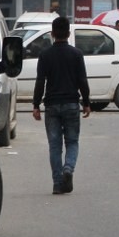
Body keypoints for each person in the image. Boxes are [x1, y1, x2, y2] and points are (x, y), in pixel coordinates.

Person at [32, 16, 91, 195]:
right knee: (72, 142)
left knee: (55, 146)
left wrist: (36, 105)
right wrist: (86, 103)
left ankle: (58, 184)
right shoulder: (76, 54)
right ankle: (68, 169)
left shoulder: (45, 55)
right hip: (72, 104)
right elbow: (82, 81)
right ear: (69, 33)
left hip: (51, 106)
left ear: (52, 34)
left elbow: (40, 81)